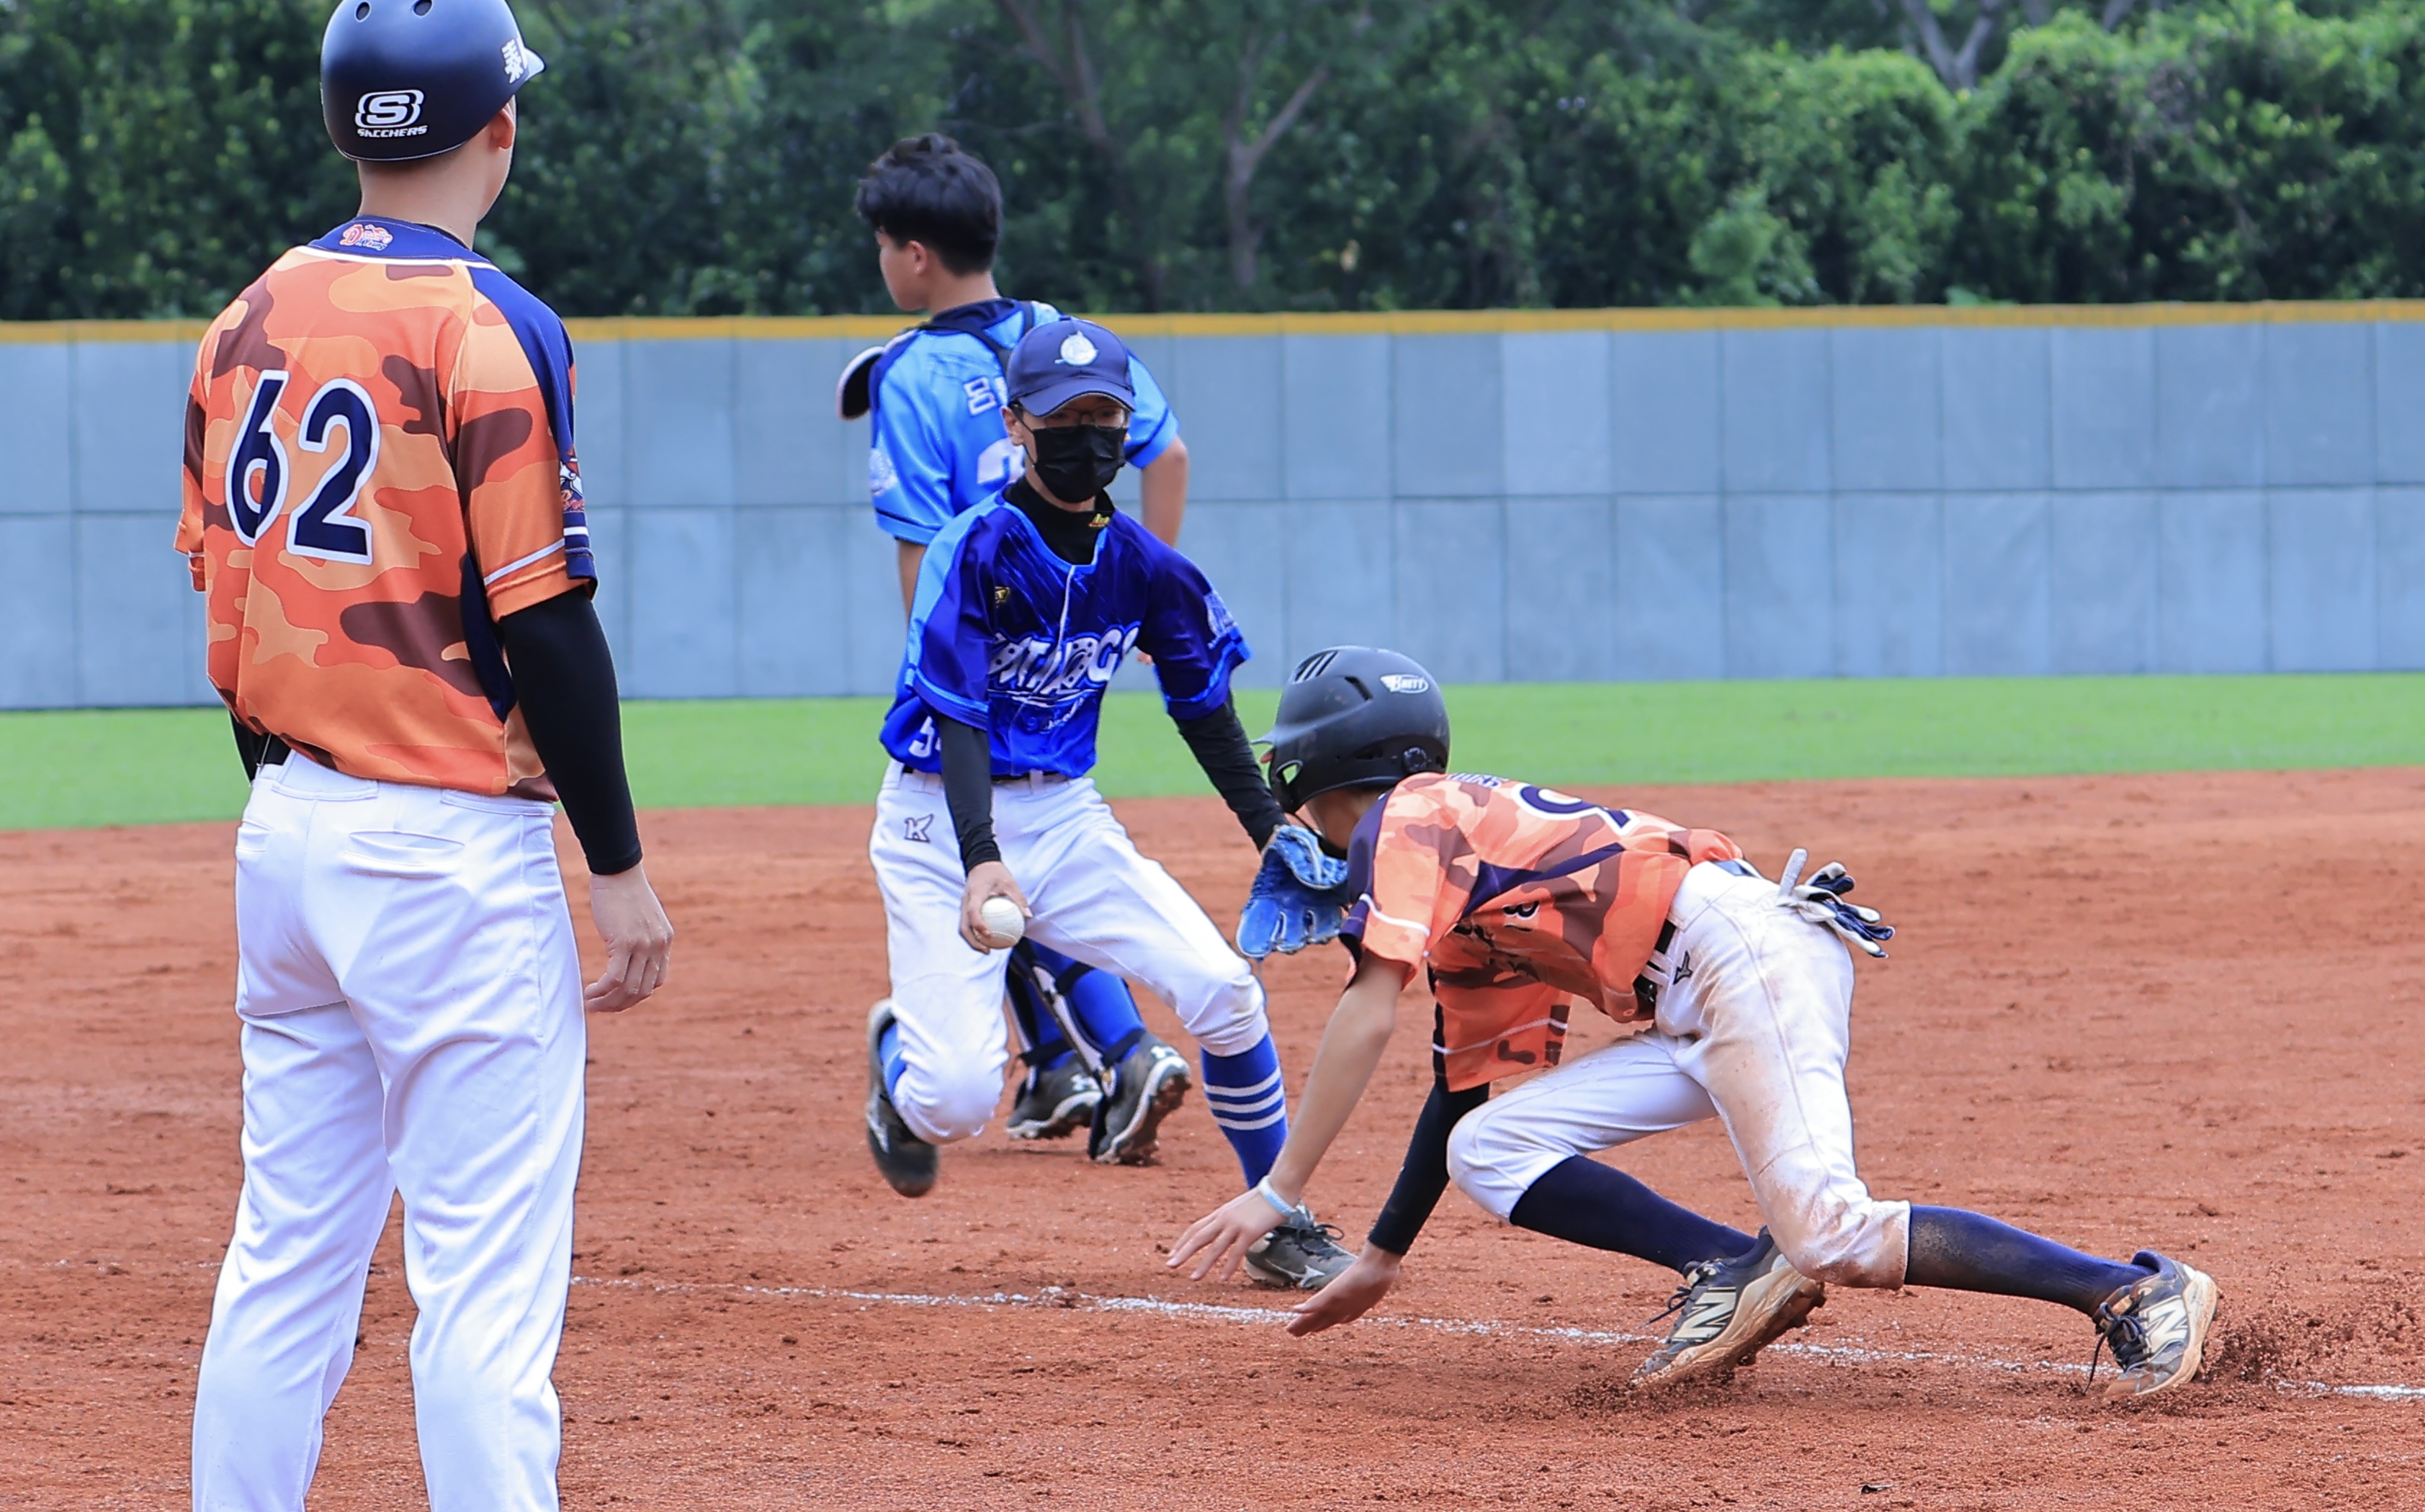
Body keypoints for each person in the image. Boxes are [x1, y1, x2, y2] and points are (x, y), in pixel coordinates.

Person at [1169, 646, 2219, 1398]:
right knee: (1491, 1139)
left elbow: (1368, 1000)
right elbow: (1457, 1090)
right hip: (1692, 994)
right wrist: (1386, 1254)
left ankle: (2131, 1294)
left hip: (1741, 954)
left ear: (1310, 771)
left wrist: (1282, 1187)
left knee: (1834, 1233)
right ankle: (1734, 1265)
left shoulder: (1416, 814)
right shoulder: (1467, 890)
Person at [176, 0, 674, 1510]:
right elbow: (544, 616)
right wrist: (619, 865)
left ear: (347, 131)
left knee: (286, 1258)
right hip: (447, 855)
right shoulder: (489, 323)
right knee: (483, 1292)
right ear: (500, 131)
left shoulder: (245, 314)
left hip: (287, 834)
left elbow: (223, 587)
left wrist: (292, 786)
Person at [861, 313, 1350, 1290]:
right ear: (1014, 422)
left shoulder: (1144, 565)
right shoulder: (975, 550)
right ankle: (895, 1063)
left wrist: (1273, 834)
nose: (1087, 438)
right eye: (1062, 417)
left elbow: (1204, 708)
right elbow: (959, 713)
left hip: (1065, 814)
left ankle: (1278, 1216)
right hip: (936, 820)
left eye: (1106, 417)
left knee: (1224, 990)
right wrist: (977, 853)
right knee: (957, 1100)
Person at [841, 133, 1191, 1158]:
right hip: (1072, 645)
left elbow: (923, 554)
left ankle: (1091, 1056)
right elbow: (1168, 453)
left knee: (993, 845)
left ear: (911, 256)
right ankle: (1074, 1062)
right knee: (1024, 843)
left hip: (982, 660)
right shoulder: (1064, 337)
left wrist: (937, 667)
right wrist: (1138, 588)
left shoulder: (911, 373)